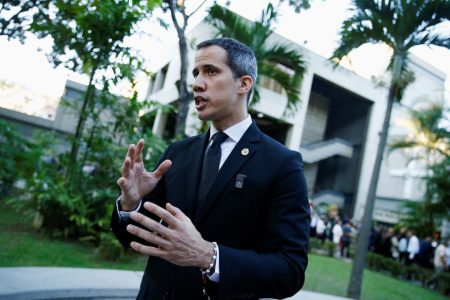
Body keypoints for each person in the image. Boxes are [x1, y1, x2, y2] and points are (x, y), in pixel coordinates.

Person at [110, 38, 310, 300]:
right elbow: (138, 240)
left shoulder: (282, 164)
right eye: (196, 73)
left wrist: (208, 255)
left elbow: (289, 270)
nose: (197, 84)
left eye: (211, 71)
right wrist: (131, 205)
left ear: (244, 83)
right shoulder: (177, 153)